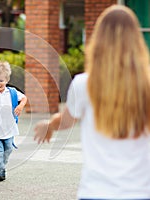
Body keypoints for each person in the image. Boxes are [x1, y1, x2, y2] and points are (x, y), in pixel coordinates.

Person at [34, 5, 150, 200]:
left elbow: (66, 121)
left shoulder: (83, 84)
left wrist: (50, 125)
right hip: (141, 192)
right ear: (136, 41)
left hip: (95, 192)